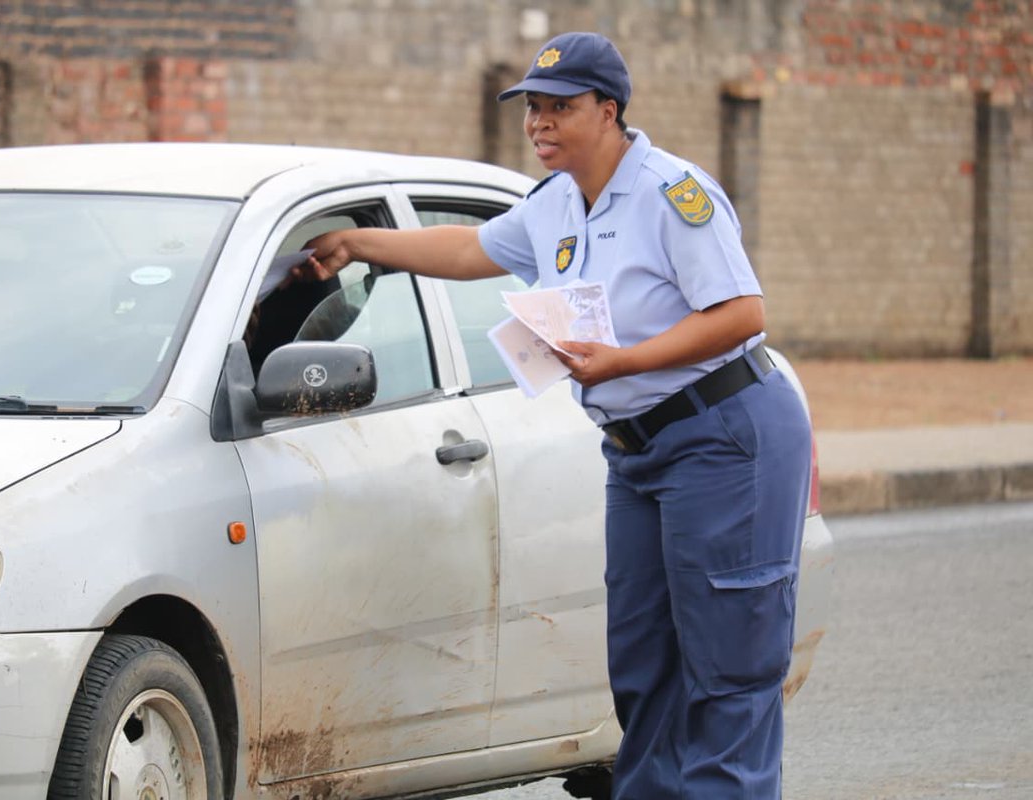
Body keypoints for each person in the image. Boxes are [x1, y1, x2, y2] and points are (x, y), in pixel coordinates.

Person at [298, 31, 812, 799]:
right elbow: (472, 248)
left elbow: (741, 313)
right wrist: (361, 241)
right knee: (643, 661)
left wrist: (625, 362)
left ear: (609, 110)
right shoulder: (556, 203)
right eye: (532, 109)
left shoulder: (673, 194)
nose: (539, 123)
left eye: (559, 108)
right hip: (638, 451)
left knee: (728, 663)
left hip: (724, 435)